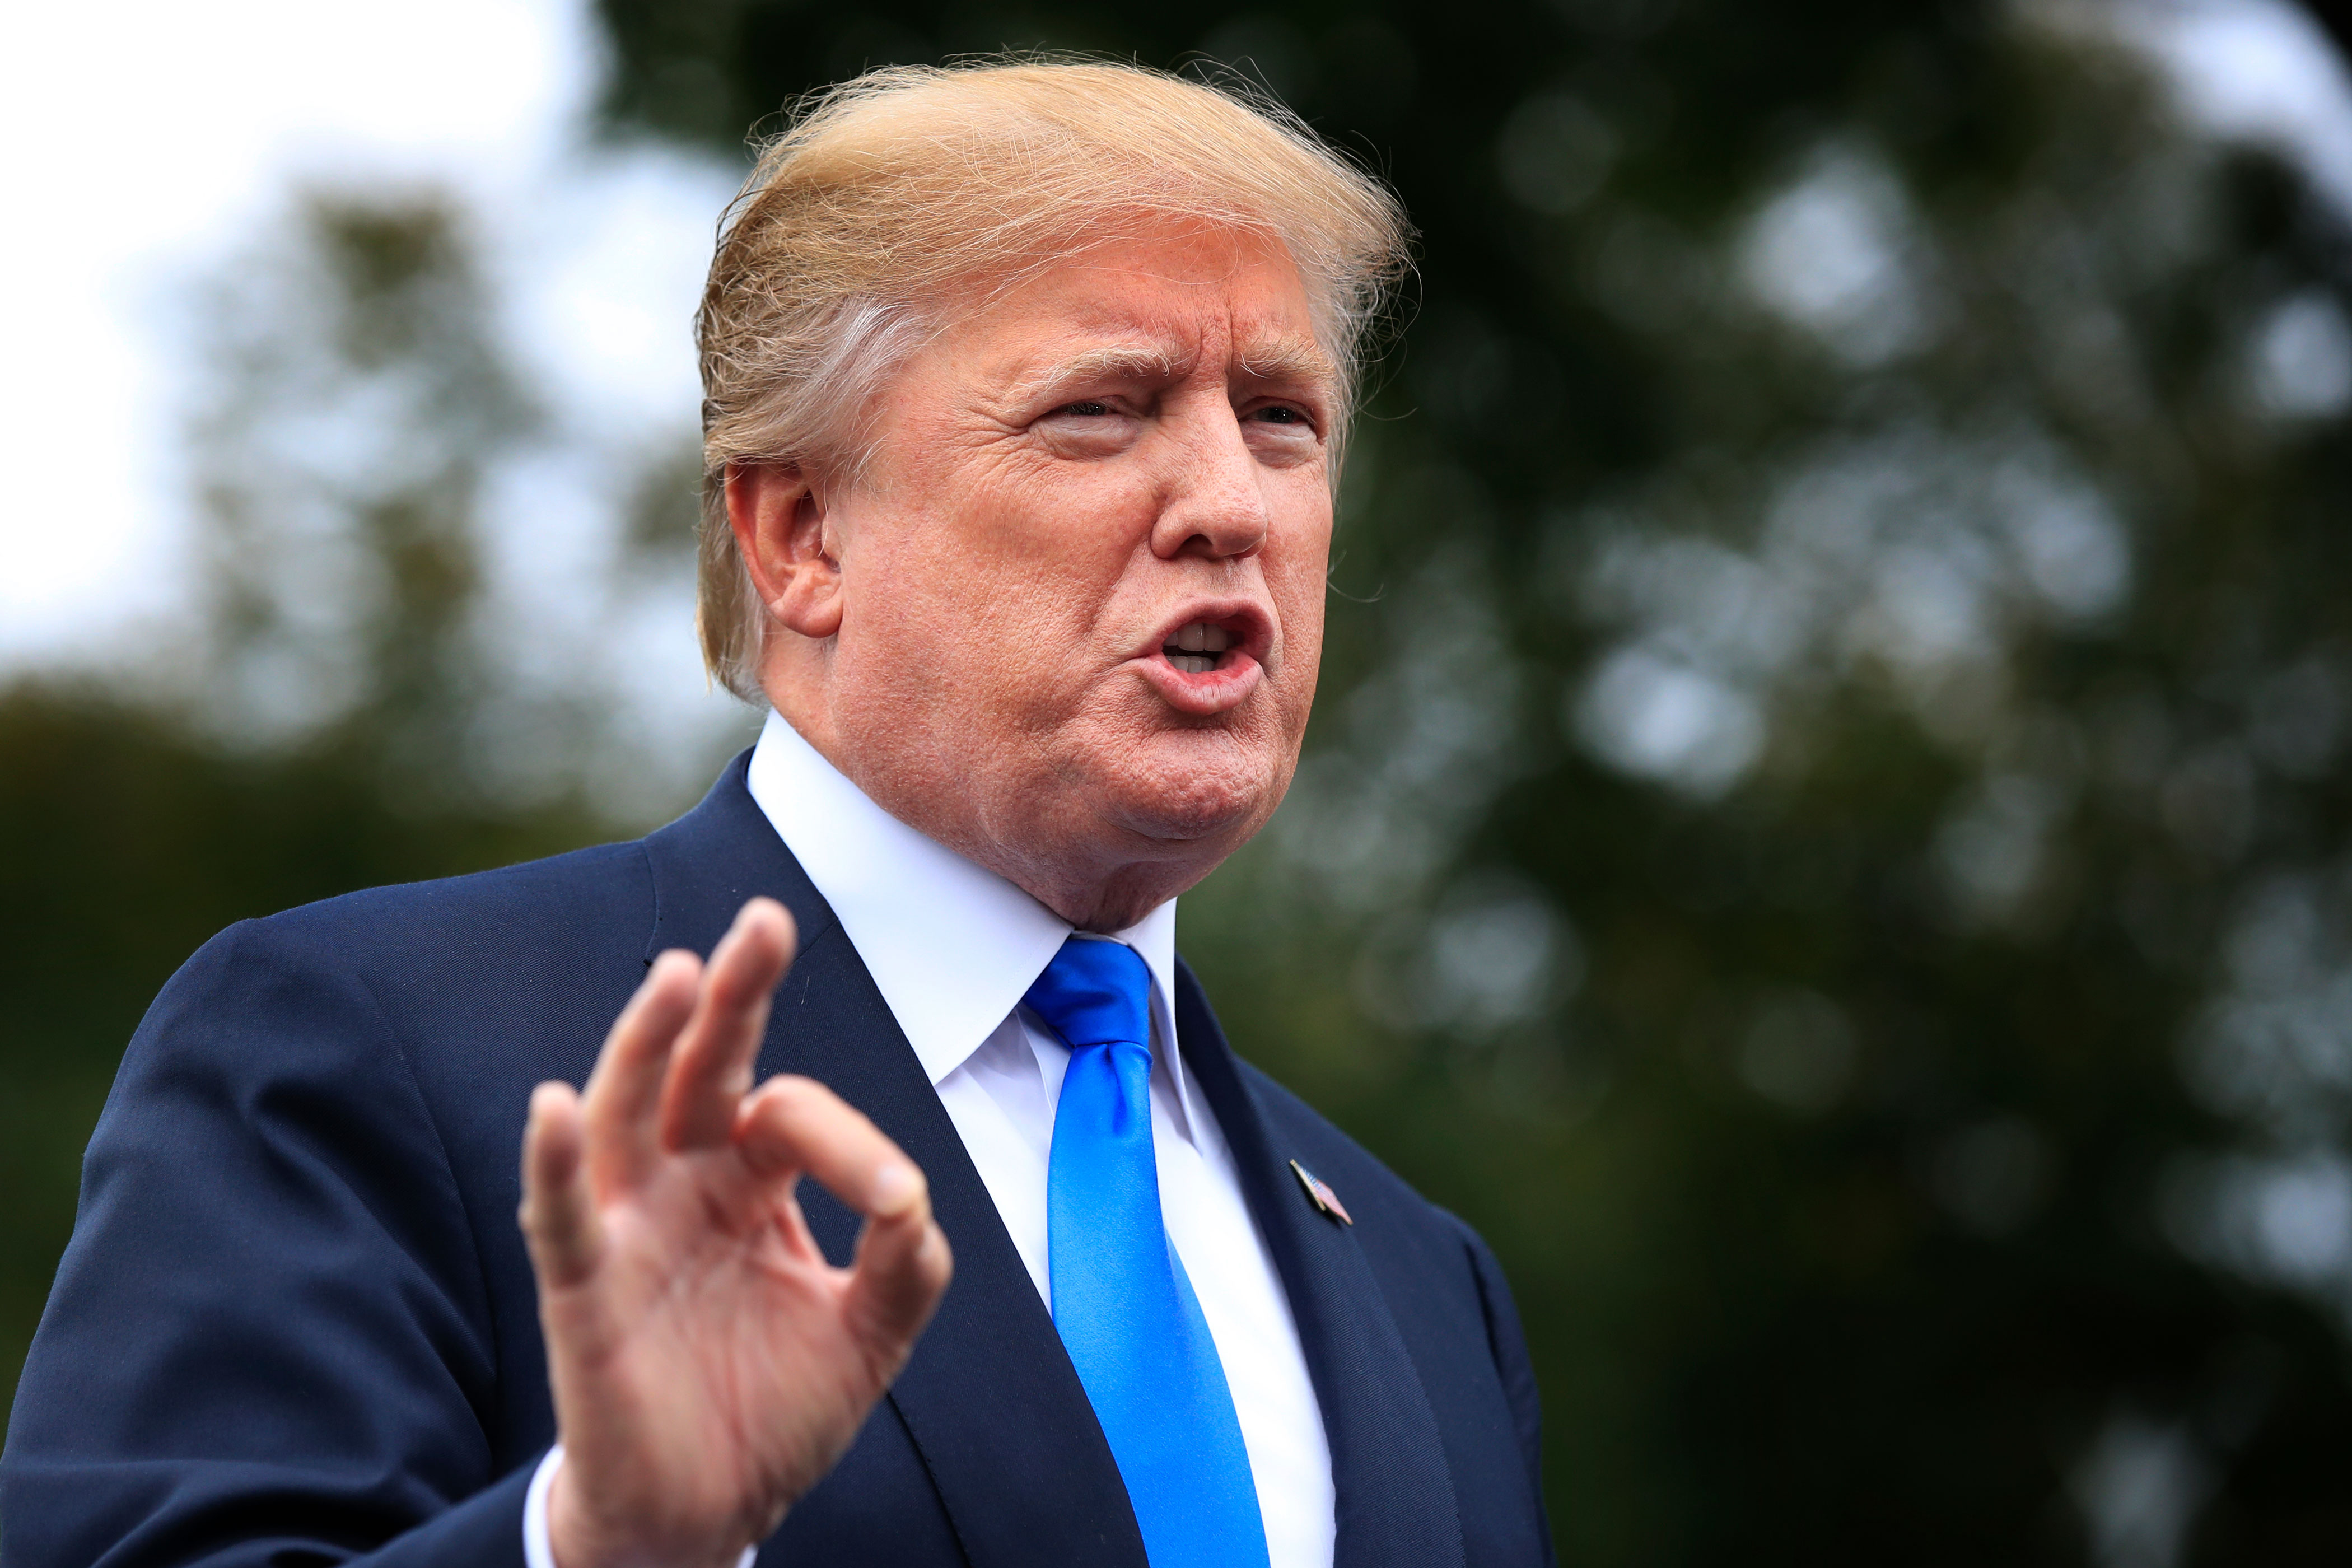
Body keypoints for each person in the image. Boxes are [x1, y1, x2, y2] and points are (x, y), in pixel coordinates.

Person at [1, 59, 1553, 1568]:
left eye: (1282, 417)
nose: (1230, 502)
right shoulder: (371, 1057)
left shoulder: (1429, 1279)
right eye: (1102, 408)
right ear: (804, 534)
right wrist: (601, 1548)